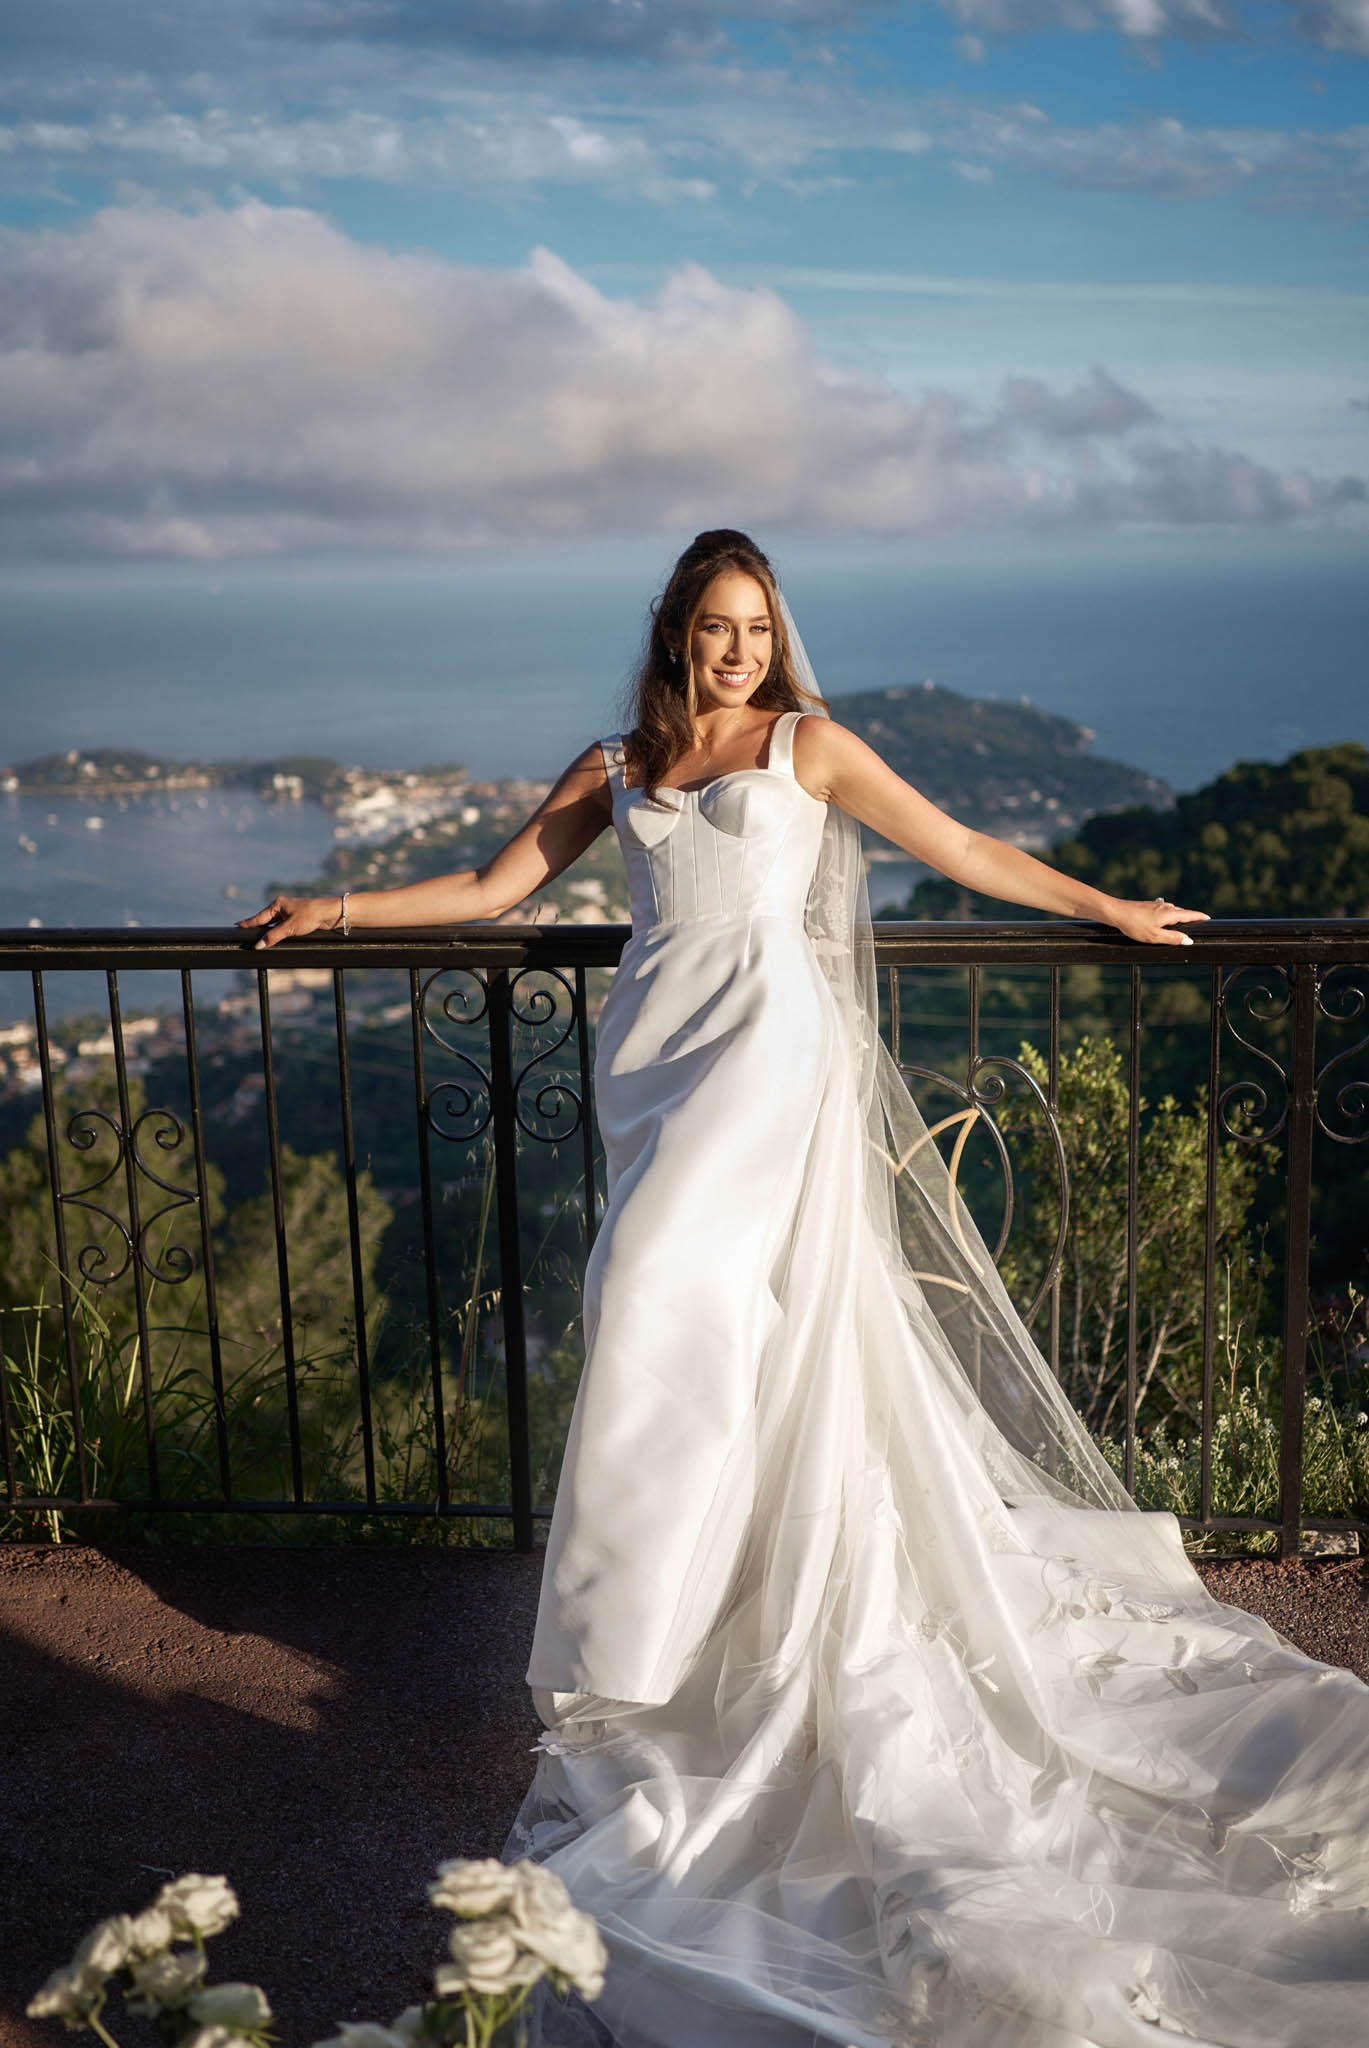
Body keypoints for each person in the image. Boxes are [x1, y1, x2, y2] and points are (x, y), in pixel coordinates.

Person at [242, 531, 1369, 2048]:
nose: (733, 650)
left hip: (768, 1067)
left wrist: (1107, 909)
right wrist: (341, 915)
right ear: (673, 633)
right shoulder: (615, 760)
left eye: (754, 627)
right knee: (678, 1348)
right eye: (713, 628)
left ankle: (645, 1658)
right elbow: (498, 881)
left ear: (777, 637)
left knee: (661, 1310)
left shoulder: (807, 743)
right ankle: (667, 1648)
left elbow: (960, 850)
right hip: (650, 1064)